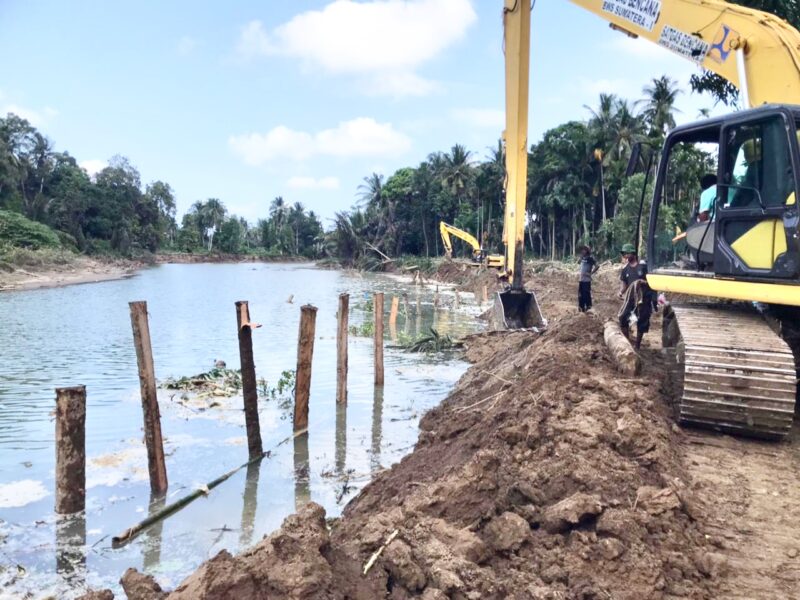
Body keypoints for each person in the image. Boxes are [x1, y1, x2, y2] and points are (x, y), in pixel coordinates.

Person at [617, 243, 657, 349]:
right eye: (624, 254)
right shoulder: (625, 270)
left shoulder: (643, 267)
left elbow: (652, 282)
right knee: (623, 318)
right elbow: (624, 285)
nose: (625, 256)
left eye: (627, 253)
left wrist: (642, 282)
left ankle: (637, 345)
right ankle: (628, 343)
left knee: (642, 321)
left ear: (633, 254)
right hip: (631, 299)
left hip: (643, 299)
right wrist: (620, 292)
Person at [577, 245, 598, 312]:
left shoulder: (590, 258)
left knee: (586, 294)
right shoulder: (582, 258)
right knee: (580, 294)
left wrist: (591, 273)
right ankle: (581, 307)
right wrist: (580, 258)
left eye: (584, 250)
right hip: (581, 279)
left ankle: (589, 307)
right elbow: (578, 262)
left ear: (587, 251)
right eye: (582, 250)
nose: (583, 251)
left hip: (586, 280)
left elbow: (597, 266)